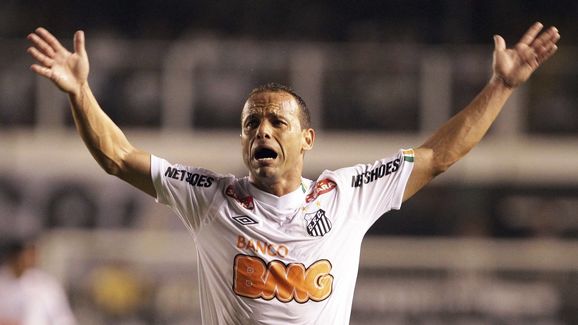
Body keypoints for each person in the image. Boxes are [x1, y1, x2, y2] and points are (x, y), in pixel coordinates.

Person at [26, 22, 560, 324]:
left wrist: (502, 88)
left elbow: (438, 155)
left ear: (307, 139)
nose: (262, 130)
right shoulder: (208, 197)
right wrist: (80, 94)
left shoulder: (347, 193)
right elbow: (118, 156)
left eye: (277, 121)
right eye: (251, 122)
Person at [0, 238, 76, 325]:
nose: (33, 258)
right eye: (28, 254)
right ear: (14, 256)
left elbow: (64, 319)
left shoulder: (46, 285)